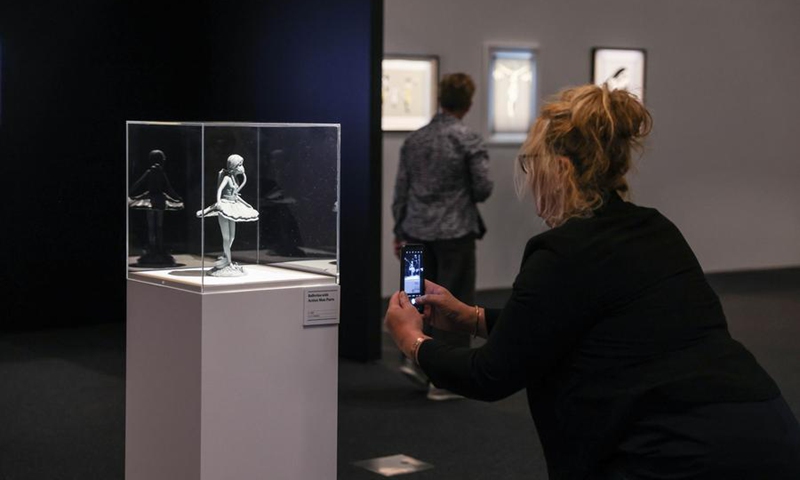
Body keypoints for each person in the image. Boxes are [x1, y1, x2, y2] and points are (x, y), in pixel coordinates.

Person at [384, 84, 800, 478]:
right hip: (767, 428)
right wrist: (471, 317)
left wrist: (412, 343)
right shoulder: (654, 228)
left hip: (681, 453)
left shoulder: (561, 252)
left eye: (531, 165)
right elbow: (565, 324)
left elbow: (491, 375)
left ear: (561, 170)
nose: (529, 182)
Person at [391, 72, 493, 400]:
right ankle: (445, 381)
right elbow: (483, 188)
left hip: (415, 232)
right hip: (455, 231)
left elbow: (401, 190)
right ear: (468, 102)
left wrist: (399, 230)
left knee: (415, 297)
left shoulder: (414, 140)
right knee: (452, 305)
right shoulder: (468, 140)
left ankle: (413, 358)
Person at [197, 154, 259, 276]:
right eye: (239, 165)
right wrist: (219, 203)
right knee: (226, 237)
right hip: (225, 206)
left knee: (232, 237)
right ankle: (228, 262)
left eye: (242, 164)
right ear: (234, 166)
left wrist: (247, 205)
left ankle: (225, 256)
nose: (242, 167)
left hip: (233, 205)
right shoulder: (227, 178)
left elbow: (236, 195)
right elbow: (219, 190)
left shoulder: (236, 179)